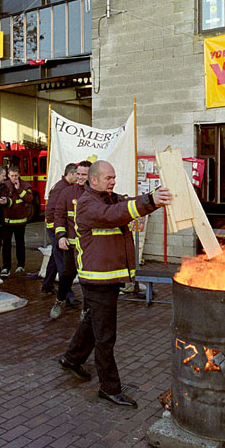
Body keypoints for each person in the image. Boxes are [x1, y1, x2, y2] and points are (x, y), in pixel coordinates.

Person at [59, 160, 172, 408]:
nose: (113, 181)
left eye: (114, 177)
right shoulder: (89, 204)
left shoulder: (110, 198)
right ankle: (109, 388)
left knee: (92, 321)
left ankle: (71, 358)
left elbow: (128, 204)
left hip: (106, 277)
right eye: (108, 178)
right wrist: (150, 200)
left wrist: (155, 198)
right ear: (94, 179)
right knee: (105, 336)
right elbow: (113, 216)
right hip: (97, 280)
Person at [50, 160, 91, 319]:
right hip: (72, 246)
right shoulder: (67, 193)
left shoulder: (97, 194)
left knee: (88, 279)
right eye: (78, 174)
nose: (80, 177)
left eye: (84, 175)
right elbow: (58, 215)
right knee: (67, 275)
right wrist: (60, 236)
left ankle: (85, 310)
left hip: (90, 247)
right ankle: (60, 300)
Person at [41, 163, 78, 294]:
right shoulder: (62, 188)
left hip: (56, 229)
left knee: (55, 258)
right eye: (77, 175)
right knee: (62, 261)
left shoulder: (64, 186)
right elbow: (53, 209)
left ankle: (47, 285)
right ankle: (67, 294)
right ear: (71, 174)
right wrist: (55, 229)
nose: (78, 178)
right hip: (55, 230)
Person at [3, 166, 33, 276]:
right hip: (7, 221)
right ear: (8, 175)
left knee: (20, 243)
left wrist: (19, 189)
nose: (14, 178)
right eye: (12, 176)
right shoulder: (4, 185)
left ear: (19, 175)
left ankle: (21, 265)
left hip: (20, 221)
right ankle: (6, 267)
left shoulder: (25, 185)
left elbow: (30, 199)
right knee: (6, 244)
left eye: (16, 175)